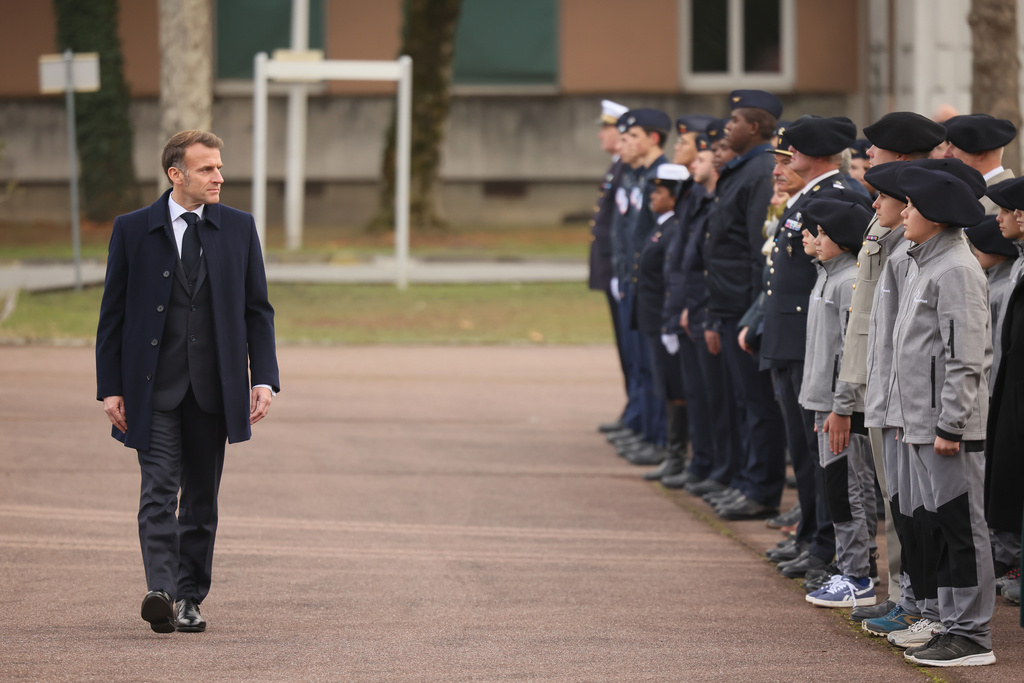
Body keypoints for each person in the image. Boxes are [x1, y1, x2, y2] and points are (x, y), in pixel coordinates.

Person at [95, 130, 280, 634]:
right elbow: (112, 315)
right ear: (175, 174)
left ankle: (189, 596)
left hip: (214, 390)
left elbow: (257, 310)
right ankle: (161, 591)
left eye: (219, 167)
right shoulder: (132, 229)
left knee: (200, 499)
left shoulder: (239, 227)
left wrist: (263, 378)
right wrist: (110, 387)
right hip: (151, 389)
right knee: (158, 490)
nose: (218, 177)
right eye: (206, 169)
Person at [836, 111, 947, 623]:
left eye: (876, 148)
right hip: (879, 375)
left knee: (913, 499)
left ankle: (916, 600)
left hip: (904, 383)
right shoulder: (889, 211)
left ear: (900, 156)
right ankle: (906, 594)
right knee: (894, 494)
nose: (867, 155)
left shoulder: (914, 218)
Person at [886, 165, 995, 667]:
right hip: (923, 425)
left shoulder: (955, 269)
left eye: (911, 205)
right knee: (941, 527)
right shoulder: (925, 263)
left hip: (948, 428)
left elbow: (966, 357)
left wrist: (951, 424)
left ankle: (973, 635)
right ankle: (952, 625)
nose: (904, 211)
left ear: (935, 214)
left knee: (962, 528)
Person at [701, 89, 787, 520]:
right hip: (729, 301)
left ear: (754, 127)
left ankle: (761, 489)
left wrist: (756, 315)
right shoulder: (742, 168)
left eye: (735, 120)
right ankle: (746, 480)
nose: (728, 126)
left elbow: (758, 251)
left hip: (743, 304)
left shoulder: (757, 172)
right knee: (743, 400)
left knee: (758, 404)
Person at [798, 198, 877, 608]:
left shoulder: (848, 281)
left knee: (847, 489)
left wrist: (841, 406)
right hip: (825, 402)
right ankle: (859, 565)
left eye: (823, 233)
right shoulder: (826, 275)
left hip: (839, 407)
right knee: (845, 485)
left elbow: (851, 353)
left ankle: (857, 576)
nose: (816, 239)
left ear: (844, 240)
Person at [634, 164, 693, 479]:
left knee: (675, 387)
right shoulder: (664, 226)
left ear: (674, 196)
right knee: (667, 385)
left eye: (659, 192)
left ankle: (676, 454)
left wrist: (670, 322)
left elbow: (674, 279)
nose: (652, 197)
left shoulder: (674, 227)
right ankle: (671, 450)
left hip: (665, 318)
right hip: (655, 318)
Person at [589, 100, 632, 435]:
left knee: (632, 348)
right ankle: (634, 411)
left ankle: (638, 414)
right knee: (625, 347)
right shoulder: (617, 167)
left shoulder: (626, 170)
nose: (601, 134)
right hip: (612, 268)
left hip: (621, 270)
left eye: (606, 127)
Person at [942, 113, 1016, 213]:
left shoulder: (1007, 199)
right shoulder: (967, 190)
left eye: (955, 146)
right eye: (949, 145)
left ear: (979, 153)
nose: (946, 153)